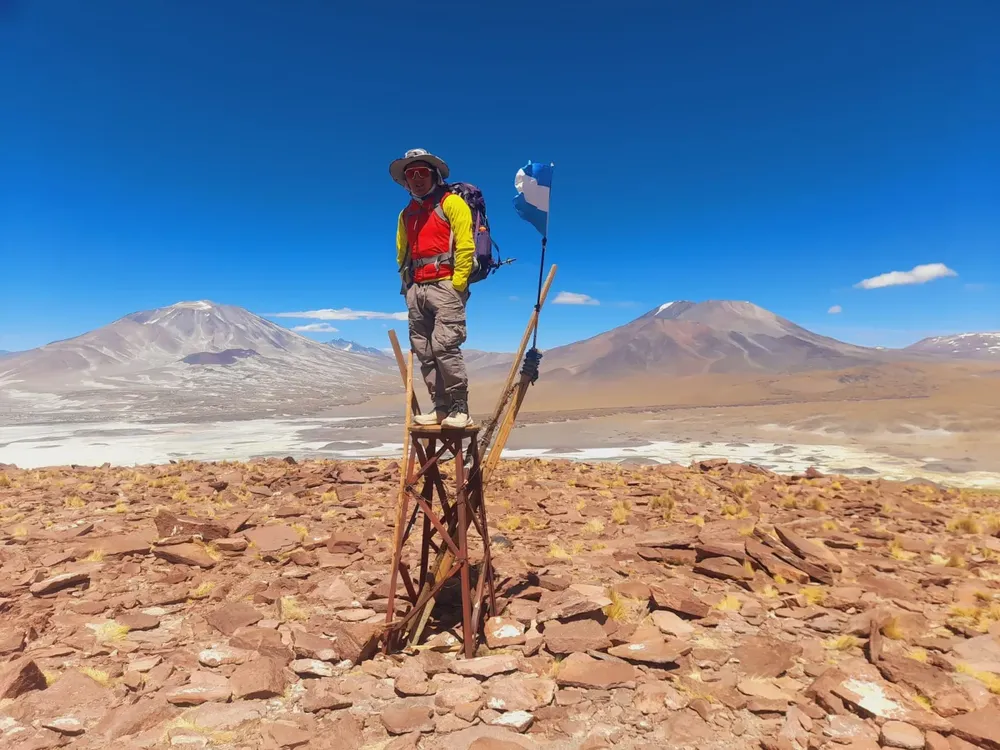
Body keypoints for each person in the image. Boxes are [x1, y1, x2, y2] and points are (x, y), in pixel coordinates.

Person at [390, 148, 474, 428]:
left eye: (422, 172)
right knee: (424, 350)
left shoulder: (452, 204)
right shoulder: (406, 214)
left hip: (445, 285)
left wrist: (458, 283)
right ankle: (440, 407)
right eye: (410, 174)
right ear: (405, 181)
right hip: (417, 288)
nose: (416, 178)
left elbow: (465, 244)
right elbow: (402, 252)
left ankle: (460, 408)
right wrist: (408, 286)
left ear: (434, 174)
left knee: (445, 346)